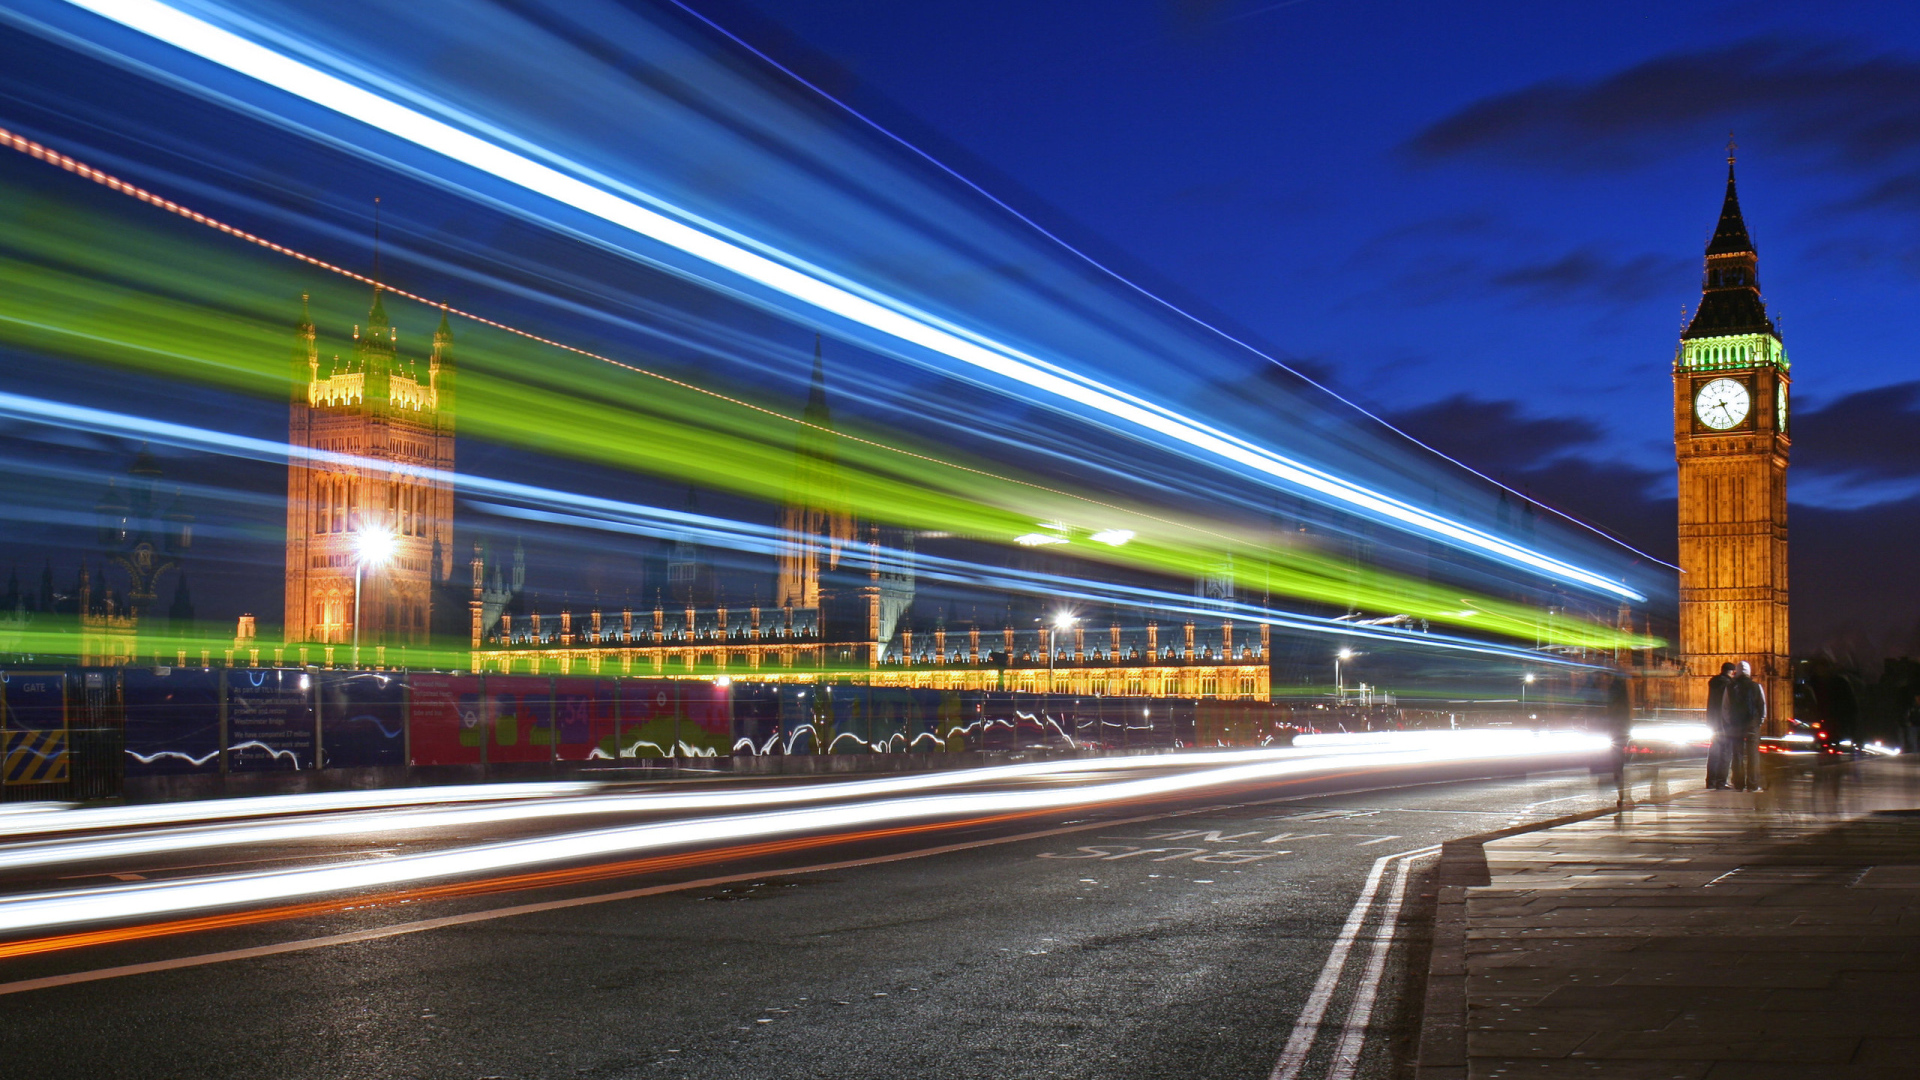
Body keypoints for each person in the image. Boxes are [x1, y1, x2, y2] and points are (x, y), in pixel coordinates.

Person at [1728, 661, 1767, 791]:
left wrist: (1729, 722)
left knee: (1737, 754)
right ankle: (1753, 784)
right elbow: (1762, 707)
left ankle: (1738, 784)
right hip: (1752, 725)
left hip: (1735, 724)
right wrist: (1758, 722)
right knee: (1753, 754)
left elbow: (1725, 708)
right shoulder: (1756, 686)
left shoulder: (1730, 687)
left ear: (1736, 672)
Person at [1705, 662, 1737, 789]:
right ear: (1731, 672)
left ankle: (1710, 781)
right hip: (1726, 722)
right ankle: (1721, 781)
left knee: (1714, 752)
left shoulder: (1713, 683)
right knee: (1726, 752)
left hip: (1713, 722)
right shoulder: (1729, 685)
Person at [1607, 675, 1633, 808]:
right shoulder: (1623, 701)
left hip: (1616, 734)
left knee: (1618, 768)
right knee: (1620, 767)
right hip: (1620, 734)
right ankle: (1623, 795)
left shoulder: (1613, 699)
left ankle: (1622, 795)